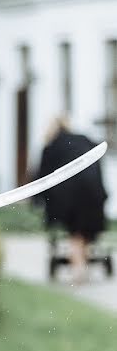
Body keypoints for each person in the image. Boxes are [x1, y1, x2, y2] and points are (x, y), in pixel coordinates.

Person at [36, 116, 108, 283]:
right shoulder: (84, 140)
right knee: (83, 232)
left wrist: (38, 200)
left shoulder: (52, 146)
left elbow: (42, 178)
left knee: (75, 233)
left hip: (68, 196)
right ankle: (81, 264)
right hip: (93, 191)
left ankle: (79, 270)